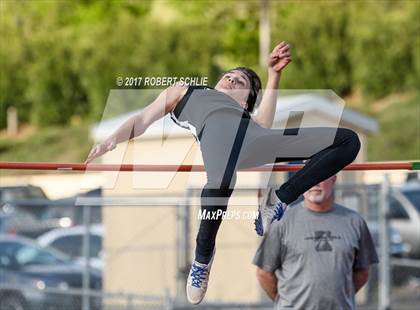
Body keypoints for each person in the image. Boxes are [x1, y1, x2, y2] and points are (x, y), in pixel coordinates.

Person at [85, 41, 361, 304]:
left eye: (239, 82)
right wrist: (113, 140)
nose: (231, 79)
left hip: (254, 141)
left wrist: (273, 75)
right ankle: (203, 258)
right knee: (221, 182)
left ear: (245, 102)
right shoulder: (185, 90)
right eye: (228, 76)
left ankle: (281, 198)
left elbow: (262, 125)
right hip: (216, 139)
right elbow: (143, 119)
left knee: (348, 141)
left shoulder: (246, 114)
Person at [253, 175, 379, 310]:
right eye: (308, 176)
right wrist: (285, 302)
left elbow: (363, 272)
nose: (314, 183)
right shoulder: (282, 222)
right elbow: (264, 272)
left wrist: (340, 297)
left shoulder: (355, 221)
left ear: (334, 178)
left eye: (322, 174)